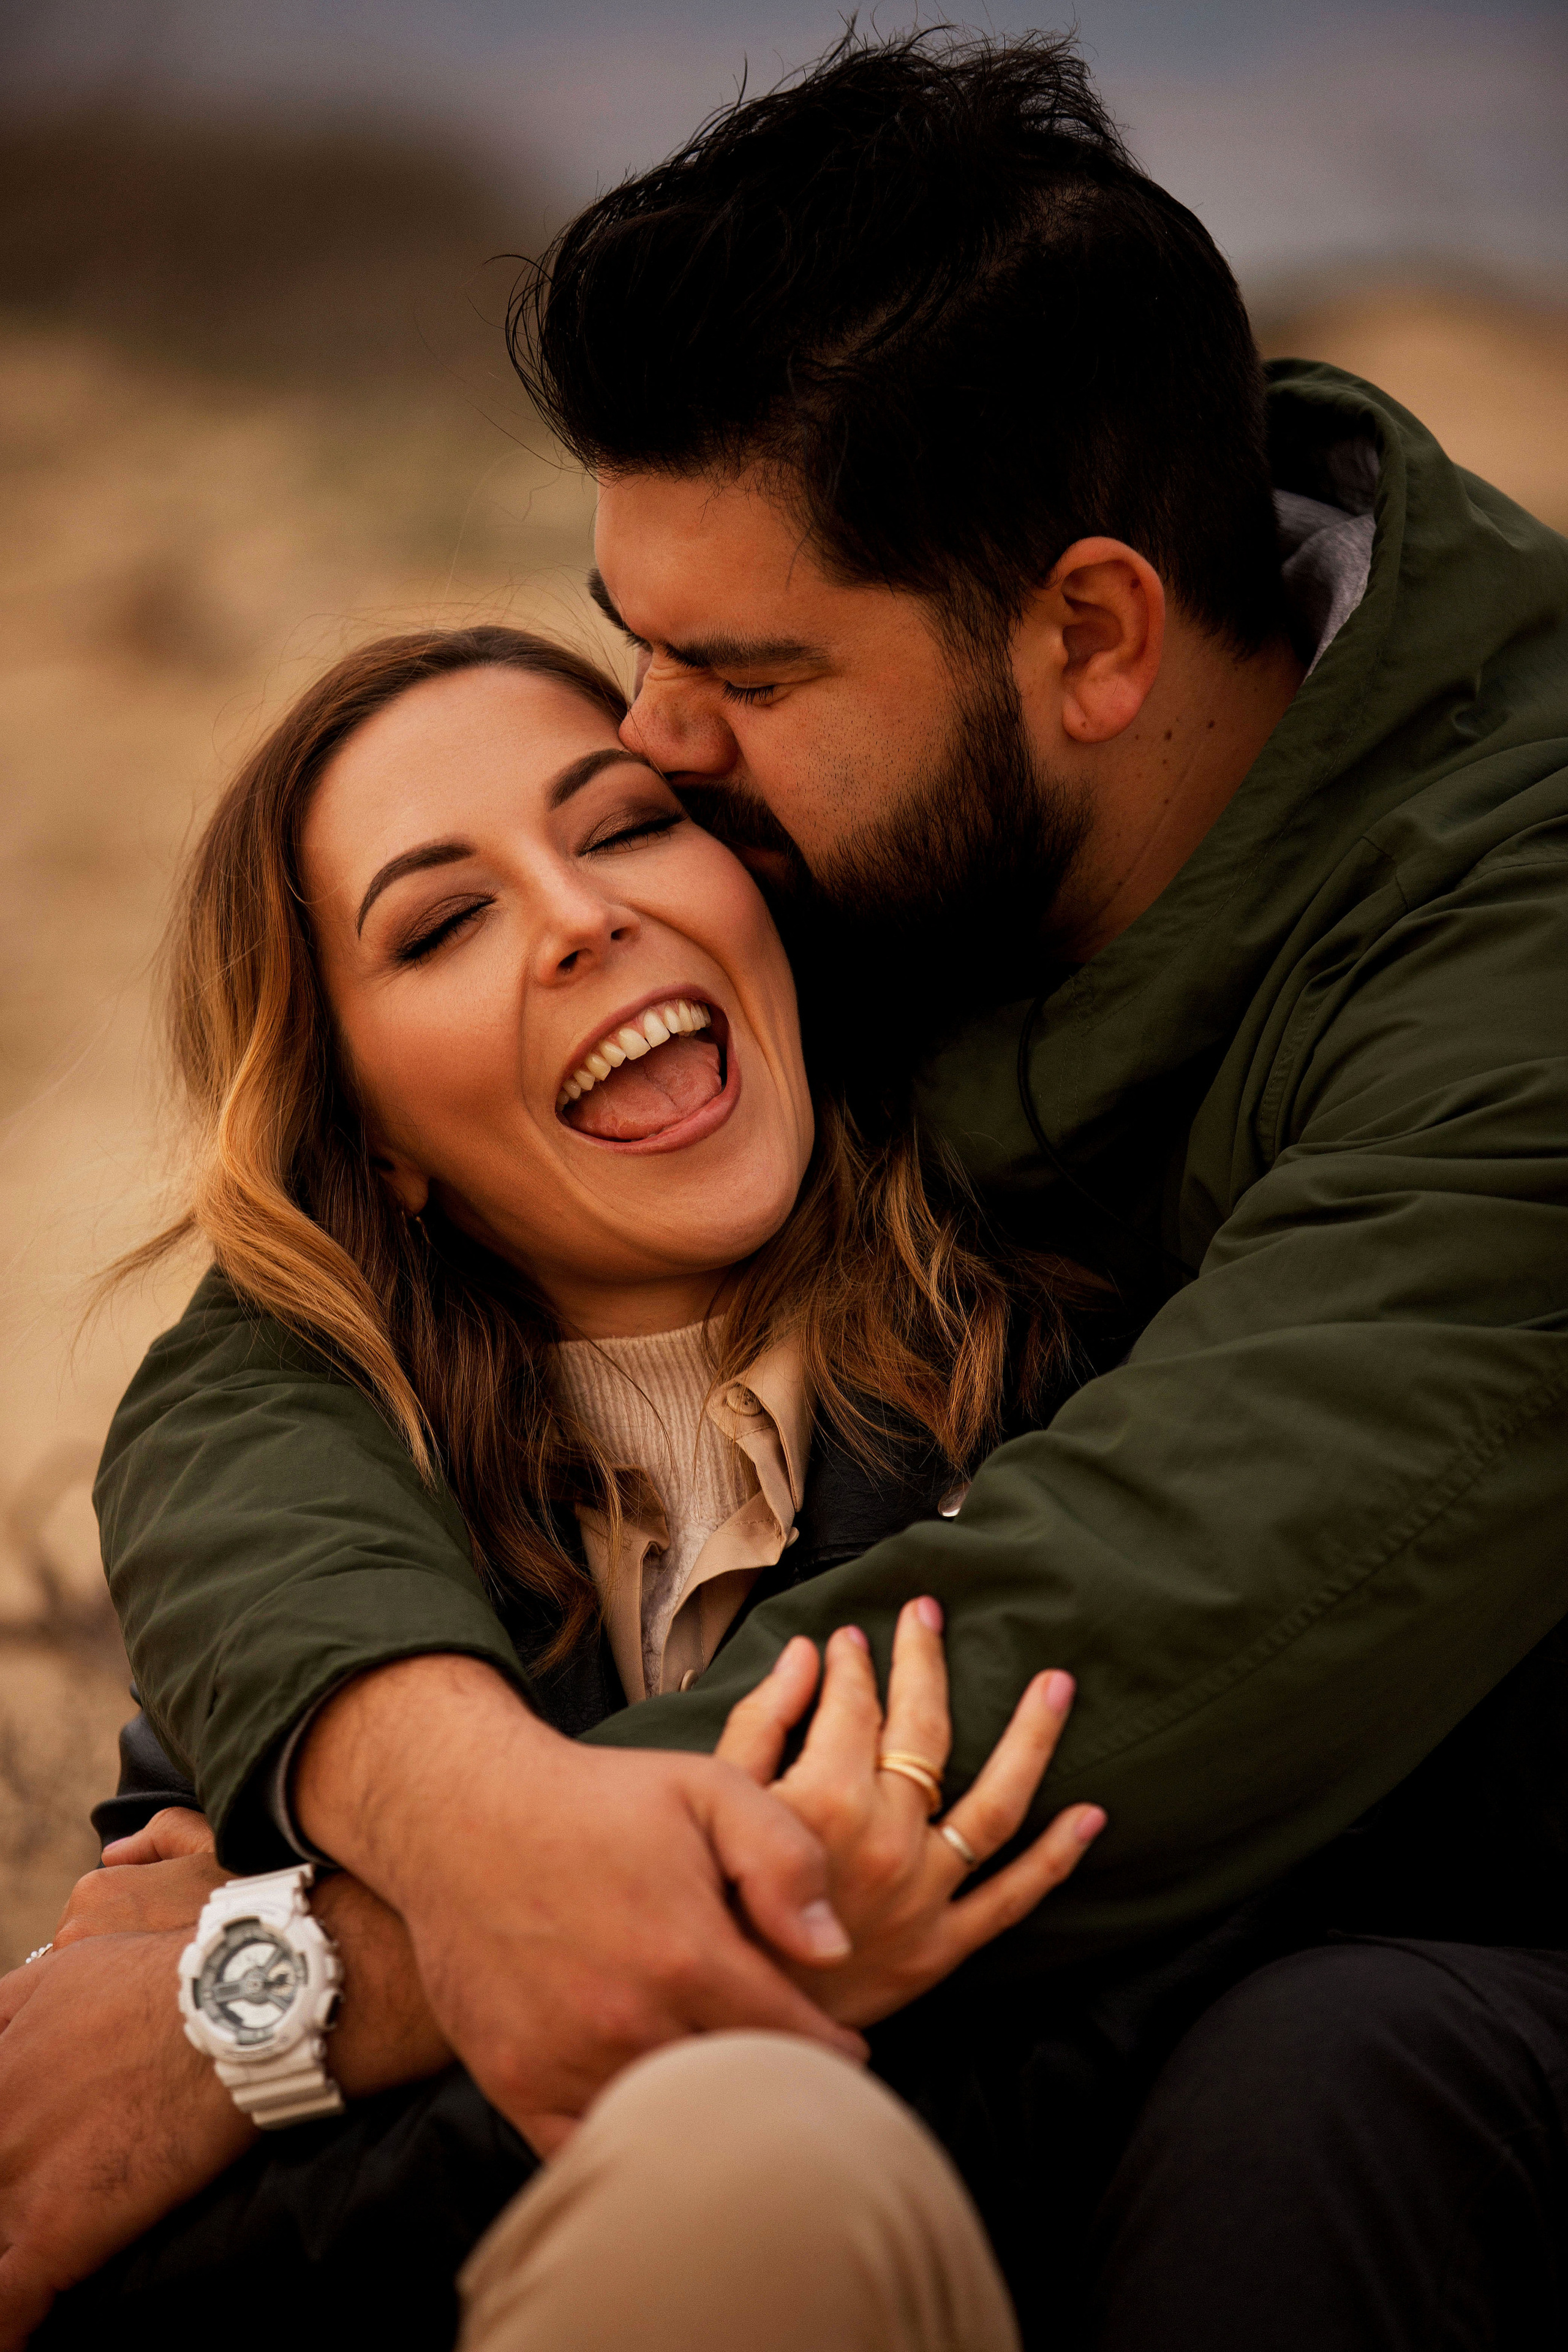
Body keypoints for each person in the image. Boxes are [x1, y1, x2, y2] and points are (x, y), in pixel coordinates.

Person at [17, 21, 1568, 2348]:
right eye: (631, 640)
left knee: (1316, 2092)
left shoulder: (1511, 948)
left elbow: (1155, 1641)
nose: (650, 750)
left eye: (734, 671)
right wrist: (425, 1781)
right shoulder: (866, 819)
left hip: (1440, 1976)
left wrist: (298, 1981)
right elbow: (274, 1333)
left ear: (1093, 637)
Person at [2, 620, 1106, 2350]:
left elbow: (1160, 2030)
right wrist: (752, 1940)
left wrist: (322, 2001)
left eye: (627, 826)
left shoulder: (1078, 1372)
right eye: (443, 922)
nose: (581, 915)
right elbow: (147, 2235)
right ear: (372, 1136)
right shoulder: (323, 1580)